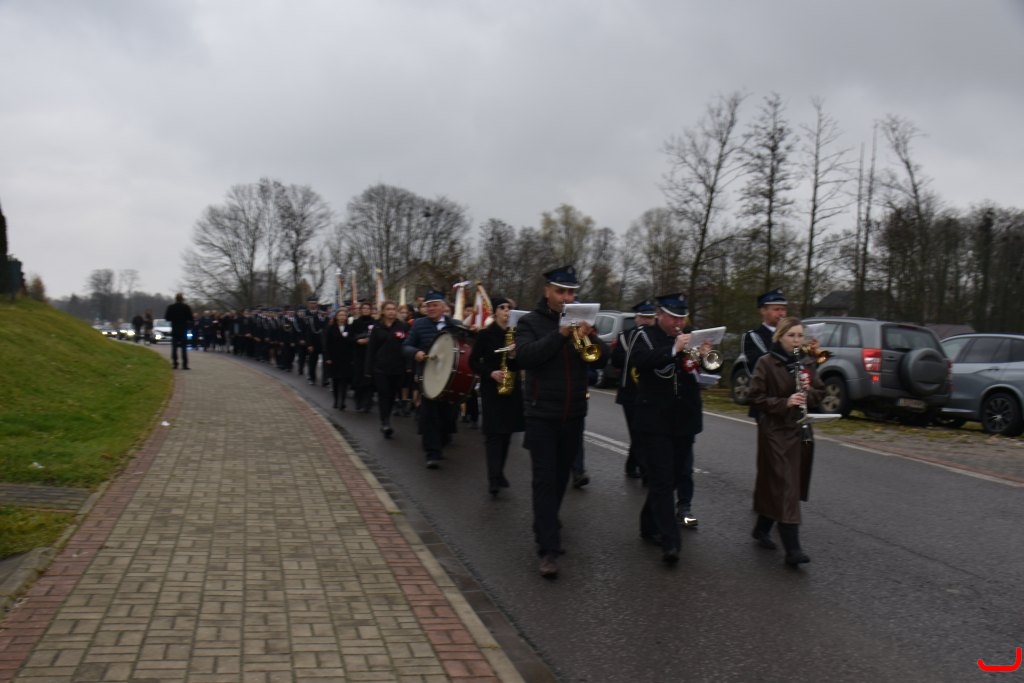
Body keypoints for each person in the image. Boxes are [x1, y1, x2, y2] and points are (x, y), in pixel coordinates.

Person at [515, 265, 608, 578]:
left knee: (559, 480)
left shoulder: (583, 322)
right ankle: (548, 550)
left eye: (571, 292)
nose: (567, 297)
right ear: (547, 292)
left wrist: (589, 336)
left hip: (573, 415)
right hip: (541, 414)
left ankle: (547, 525)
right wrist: (561, 334)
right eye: (560, 291)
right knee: (544, 480)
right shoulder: (530, 322)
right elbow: (525, 357)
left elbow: (601, 358)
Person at [629, 293, 710, 565]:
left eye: (682, 317)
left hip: (685, 418)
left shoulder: (691, 336)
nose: (679, 322)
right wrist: (674, 349)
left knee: (673, 477)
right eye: (673, 317)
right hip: (655, 419)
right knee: (662, 479)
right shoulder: (644, 335)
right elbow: (641, 361)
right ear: (660, 315)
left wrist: (704, 356)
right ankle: (670, 541)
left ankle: (647, 523)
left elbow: (703, 371)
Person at [748, 316, 825, 566]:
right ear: (780, 337)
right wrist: (785, 402)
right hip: (775, 431)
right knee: (785, 485)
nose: (796, 340)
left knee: (786, 483)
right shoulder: (766, 363)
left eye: (800, 335)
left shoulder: (806, 362)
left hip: (800, 431)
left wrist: (808, 392)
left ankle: (762, 527)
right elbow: (755, 397)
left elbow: (820, 392)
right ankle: (793, 550)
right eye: (791, 335)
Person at [469, 297, 525, 496]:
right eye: (502, 307)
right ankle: (493, 479)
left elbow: (522, 363)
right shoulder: (485, 334)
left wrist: (514, 356)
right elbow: (473, 361)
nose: (506, 311)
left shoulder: (516, 334)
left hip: (512, 387)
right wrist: (490, 373)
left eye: (509, 307)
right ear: (495, 312)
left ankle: (499, 472)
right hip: (491, 388)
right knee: (494, 433)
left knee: (507, 433)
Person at [403, 289, 464, 468]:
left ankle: (441, 441)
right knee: (429, 415)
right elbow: (406, 346)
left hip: (450, 379)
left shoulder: (455, 325)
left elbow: (466, 347)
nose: (431, 309)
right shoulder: (418, 325)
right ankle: (432, 453)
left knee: (448, 416)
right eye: (428, 306)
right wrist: (416, 352)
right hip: (428, 376)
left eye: (435, 305)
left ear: (443, 307)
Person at [610, 299, 657, 479]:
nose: (646, 321)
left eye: (650, 318)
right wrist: (635, 356)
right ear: (636, 318)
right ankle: (645, 471)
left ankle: (632, 465)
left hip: (650, 392)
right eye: (643, 317)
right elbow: (615, 361)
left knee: (644, 431)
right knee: (637, 431)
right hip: (629, 391)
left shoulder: (657, 337)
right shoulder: (625, 336)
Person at [740, 289, 789, 415]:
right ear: (763, 311)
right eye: (776, 309)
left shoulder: (791, 336)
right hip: (766, 401)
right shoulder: (753, 336)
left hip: (790, 400)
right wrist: (781, 338)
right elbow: (757, 365)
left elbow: (796, 360)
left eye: (783, 309)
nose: (782, 313)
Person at [368, 301, 409, 437]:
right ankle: (385, 422)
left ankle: (387, 417)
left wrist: (408, 366)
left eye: (393, 309)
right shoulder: (377, 327)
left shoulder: (402, 326)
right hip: (380, 368)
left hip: (397, 367)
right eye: (388, 309)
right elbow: (371, 349)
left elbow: (407, 345)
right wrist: (368, 369)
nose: (391, 311)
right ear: (383, 311)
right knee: (383, 394)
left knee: (392, 395)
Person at [323, 307, 356, 410]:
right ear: (336, 317)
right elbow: (326, 344)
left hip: (346, 358)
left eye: (344, 315)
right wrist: (327, 357)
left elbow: (353, 341)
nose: (342, 317)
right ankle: (336, 400)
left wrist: (347, 338)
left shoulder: (349, 328)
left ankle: (342, 402)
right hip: (334, 358)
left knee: (344, 381)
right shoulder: (331, 328)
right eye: (340, 315)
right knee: (336, 381)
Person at [349, 302, 376, 411]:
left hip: (370, 354)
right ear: (360, 310)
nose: (365, 310)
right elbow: (350, 337)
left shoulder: (375, 322)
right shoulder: (356, 322)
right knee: (359, 378)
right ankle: (358, 401)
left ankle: (368, 403)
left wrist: (370, 340)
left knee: (369, 379)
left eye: (368, 308)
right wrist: (357, 340)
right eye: (364, 308)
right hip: (359, 354)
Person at [164, 293, 195, 370]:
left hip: (175, 329)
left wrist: (174, 318)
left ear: (176, 299)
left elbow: (167, 318)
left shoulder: (171, 307)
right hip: (183, 329)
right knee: (184, 348)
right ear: (182, 299)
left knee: (174, 347)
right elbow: (191, 318)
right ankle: (185, 364)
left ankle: (175, 363)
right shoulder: (186, 307)